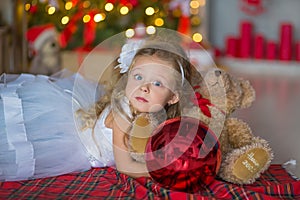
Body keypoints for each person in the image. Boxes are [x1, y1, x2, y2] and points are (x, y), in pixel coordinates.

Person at [0, 35, 198, 181]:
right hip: (75, 146)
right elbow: (124, 165)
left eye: (157, 83)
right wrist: (166, 168)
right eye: (138, 77)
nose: (143, 88)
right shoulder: (123, 115)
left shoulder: (159, 117)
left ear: (173, 97)